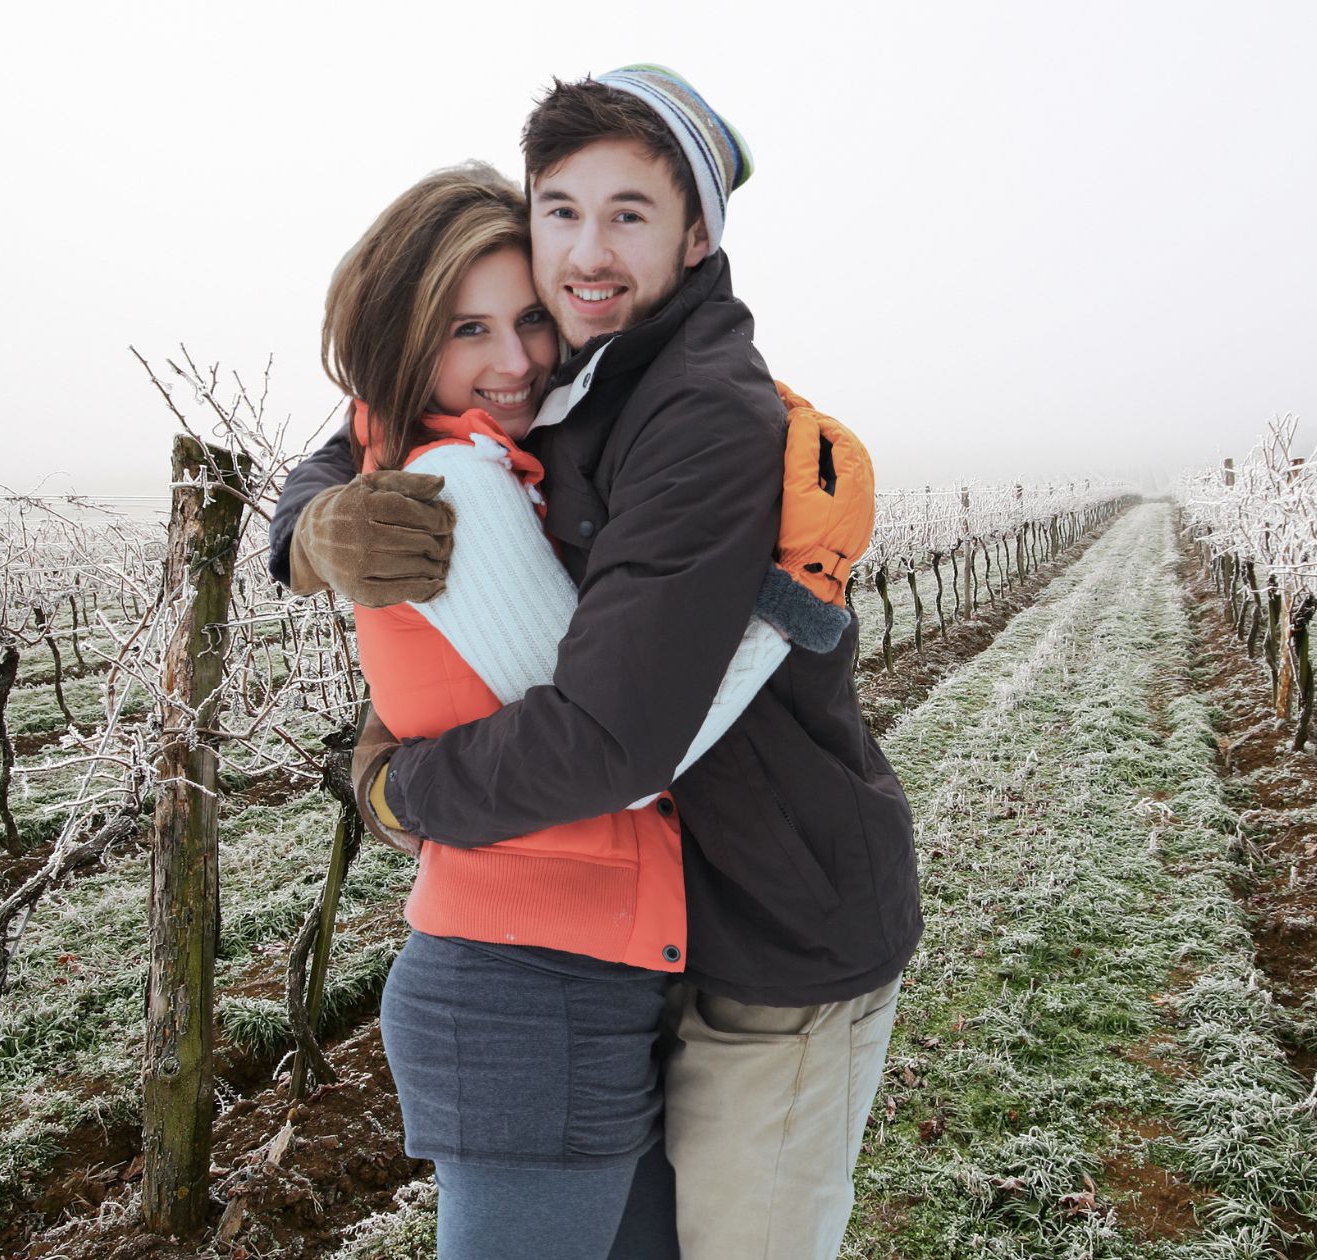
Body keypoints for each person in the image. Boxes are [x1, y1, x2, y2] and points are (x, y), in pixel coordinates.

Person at [274, 68, 920, 1260]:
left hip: (773, 935)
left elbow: (611, 746)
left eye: (630, 212)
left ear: (695, 234)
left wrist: (394, 787)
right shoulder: (566, 378)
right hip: (624, 942)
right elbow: (391, 408)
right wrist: (308, 523)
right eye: (560, 210)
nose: (583, 255)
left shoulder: (693, 412)